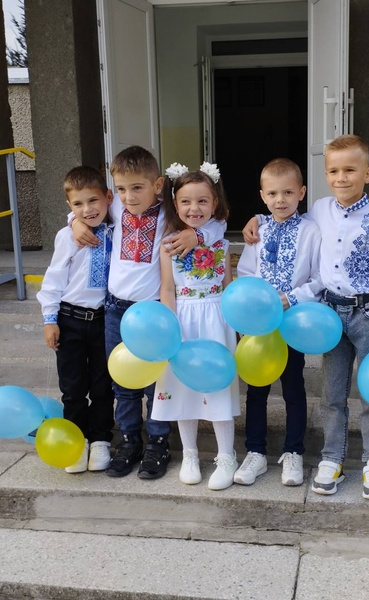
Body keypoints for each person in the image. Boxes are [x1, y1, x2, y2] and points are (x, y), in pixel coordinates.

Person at [243, 135, 369, 500]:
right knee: (332, 393)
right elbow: (284, 215)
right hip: (331, 313)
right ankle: (332, 457)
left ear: (367, 173)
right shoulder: (319, 210)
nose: (341, 178)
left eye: (350, 170)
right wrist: (256, 218)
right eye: (333, 171)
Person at [70, 146, 225, 479]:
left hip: (154, 311)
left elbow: (216, 226)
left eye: (137, 188)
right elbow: (87, 207)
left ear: (157, 185)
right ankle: (129, 442)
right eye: (122, 189)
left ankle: (158, 443)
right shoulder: (115, 207)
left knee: (156, 382)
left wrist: (195, 233)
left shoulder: (170, 212)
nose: (129, 197)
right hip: (116, 310)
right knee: (123, 381)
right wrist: (73, 222)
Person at [233, 158, 323, 487]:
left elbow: (319, 278)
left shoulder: (312, 231)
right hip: (260, 325)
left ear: (302, 192)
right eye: (272, 194)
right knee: (256, 389)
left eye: (287, 192)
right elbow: (245, 273)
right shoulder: (258, 230)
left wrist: (292, 298)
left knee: (293, 387)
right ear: (262, 196)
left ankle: (293, 451)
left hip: (292, 322)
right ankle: (255, 452)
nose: (280, 200)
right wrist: (253, 304)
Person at [152, 162, 241, 491]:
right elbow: (167, 289)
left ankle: (226, 455)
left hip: (216, 319)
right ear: (175, 204)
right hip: (183, 320)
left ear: (214, 203)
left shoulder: (221, 243)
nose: (195, 208)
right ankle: (189, 453)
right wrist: (170, 328)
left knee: (218, 386)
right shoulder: (168, 245)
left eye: (203, 200)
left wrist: (235, 324)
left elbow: (228, 286)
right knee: (183, 387)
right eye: (186, 201)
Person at [36, 166, 115, 474]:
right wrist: (49, 319)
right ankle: (77, 440)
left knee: (102, 384)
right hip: (70, 319)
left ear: (108, 197)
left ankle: (101, 439)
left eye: (93, 201)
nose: (87, 209)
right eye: (78, 205)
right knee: (72, 386)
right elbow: (54, 279)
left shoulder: (118, 229)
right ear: (69, 206)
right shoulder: (67, 236)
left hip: (104, 320)